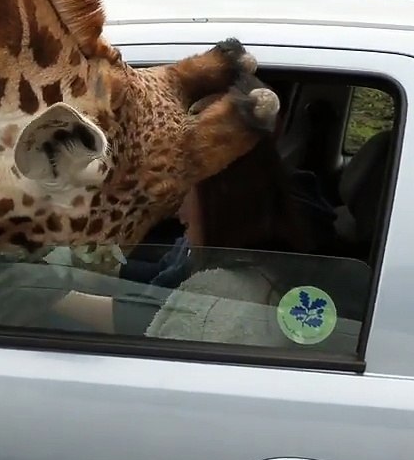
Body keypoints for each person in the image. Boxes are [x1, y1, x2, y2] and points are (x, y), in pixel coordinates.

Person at [52, 135, 321, 346]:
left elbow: (150, 321)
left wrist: (48, 293)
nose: (176, 208)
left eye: (186, 191)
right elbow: (160, 276)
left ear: (220, 197)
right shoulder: (237, 260)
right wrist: (99, 271)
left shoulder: (216, 295)